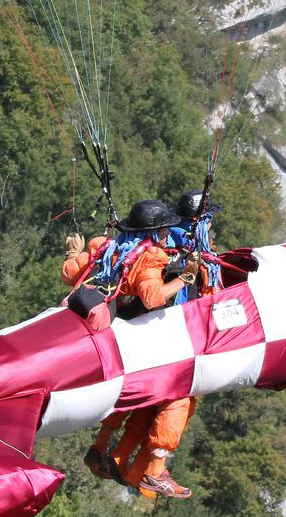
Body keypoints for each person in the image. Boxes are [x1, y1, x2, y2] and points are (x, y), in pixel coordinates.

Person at [63, 199, 202, 498]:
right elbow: (152, 298)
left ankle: (102, 447)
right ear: (153, 232)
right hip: (128, 336)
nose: (167, 233)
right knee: (178, 394)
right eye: (164, 229)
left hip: (102, 326)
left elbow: (71, 273)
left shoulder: (105, 246)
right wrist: (184, 278)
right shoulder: (150, 257)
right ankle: (153, 471)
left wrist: (74, 253)